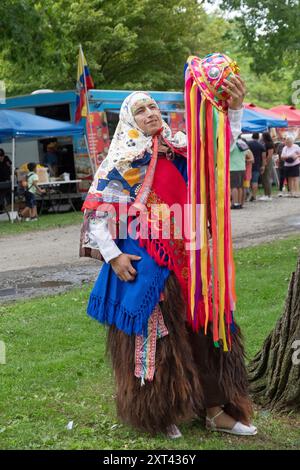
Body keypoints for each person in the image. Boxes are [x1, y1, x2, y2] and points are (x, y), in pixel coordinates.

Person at [80, 84, 257, 438]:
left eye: (153, 106)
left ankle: (215, 409)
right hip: (150, 259)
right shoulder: (123, 158)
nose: (151, 112)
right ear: (129, 118)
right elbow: (97, 214)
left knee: (205, 327)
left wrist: (233, 111)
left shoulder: (180, 146)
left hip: (192, 254)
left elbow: (219, 149)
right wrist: (114, 257)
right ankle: (159, 412)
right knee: (157, 336)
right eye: (142, 109)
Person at [230, 138, 253, 208]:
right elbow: (248, 154)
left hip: (233, 168)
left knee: (234, 187)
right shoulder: (243, 143)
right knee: (240, 187)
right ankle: (239, 203)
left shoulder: (232, 144)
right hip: (242, 168)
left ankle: (235, 203)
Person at [247, 133, 266, 201]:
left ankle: (247, 195)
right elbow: (263, 157)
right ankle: (254, 196)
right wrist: (263, 166)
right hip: (257, 165)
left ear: (252, 136)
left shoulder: (248, 143)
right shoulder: (261, 145)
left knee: (247, 181)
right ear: (258, 137)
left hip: (248, 165)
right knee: (255, 181)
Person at [259, 132, 275, 201]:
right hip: (265, 161)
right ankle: (266, 194)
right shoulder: (264, 143)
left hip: (268, 162)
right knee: (264, 178)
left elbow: (270, 155)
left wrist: (265, 163)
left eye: (262, 136)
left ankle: (268, 195)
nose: (261, 137)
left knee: (266, 178)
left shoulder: (270, 144)